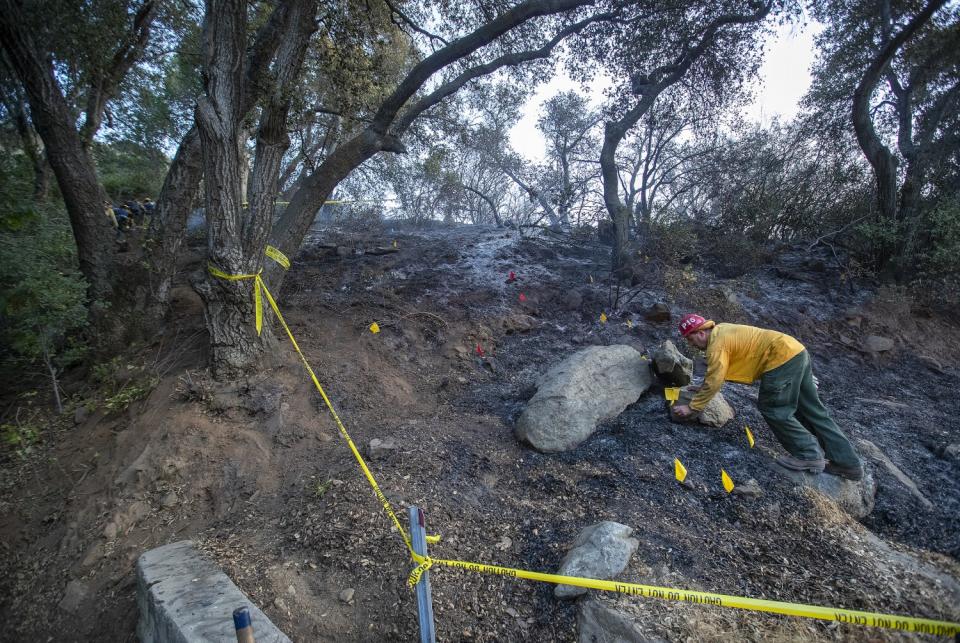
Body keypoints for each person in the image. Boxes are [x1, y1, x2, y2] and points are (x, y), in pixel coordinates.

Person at [673, 314, 864, 480]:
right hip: (795, 351)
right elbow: (718, 373)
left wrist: (692, 407)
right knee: (812, 411)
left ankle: (808, 455)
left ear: (700, 333)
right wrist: (703, 388)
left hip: (780, 359)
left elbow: (715, 378)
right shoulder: (722, 330)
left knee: (774, 408)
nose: (693, 346)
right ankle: (847, 463)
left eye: (691, 340)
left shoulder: (717, 344)